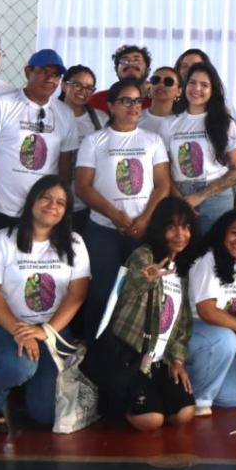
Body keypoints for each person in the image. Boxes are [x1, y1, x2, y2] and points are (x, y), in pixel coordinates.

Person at [0, 177, 90, 432]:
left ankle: (18, 386)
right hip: (5, 325)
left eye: (60, 202)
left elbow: (76, 295)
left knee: (44, 414)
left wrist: (44, 331)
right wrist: (19, 330)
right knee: (20, 365)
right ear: (32, 201)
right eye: (46, 198)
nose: (52, 206)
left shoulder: (75, 243)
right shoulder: (3, 239)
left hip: (52, 330)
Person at [84, 196, 196, 431]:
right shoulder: (144, 255)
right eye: (172, 226)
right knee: (151, 421)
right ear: (160, 228)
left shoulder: (183, 268)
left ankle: (149, 391)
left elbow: (183, 323)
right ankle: (119, 398)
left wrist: (177, 360)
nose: (180, 234)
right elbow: (131, 285)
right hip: (129, 355)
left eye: (186, 227)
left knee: (184, 414)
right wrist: (147, 277)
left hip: (159, 359)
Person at [75, 78, 173, 340]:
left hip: (143, 230)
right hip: (103, 229)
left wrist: (144, 219)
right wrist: (114, 215)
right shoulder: (95, 141)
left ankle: (130, 352)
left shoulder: (153, 140)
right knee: (100, 293)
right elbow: (82, 186)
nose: (134, 106)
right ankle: (94, 348)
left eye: (138, 101)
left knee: (141, 292)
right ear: (110, 106)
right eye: (126, 100)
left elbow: (163, 185)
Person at [0, 49, 79, 259]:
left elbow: (64, 164)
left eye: (56, 75)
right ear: (28, 72)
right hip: (1, 208)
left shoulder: (65, 113)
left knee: (29, 270)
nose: (50, 78)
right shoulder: (3, 104)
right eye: (44, 71)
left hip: (42, 214)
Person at [183, 207, 236, 416]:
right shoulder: (208, 258)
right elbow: (207, 312)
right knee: (226, 339)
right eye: (234, 233)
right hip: (191, 330)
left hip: (217, 336)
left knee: (234, 396)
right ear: (222, 232)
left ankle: (184, 379)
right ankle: (199, 402)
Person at [163, 61, 236, 234]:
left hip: (216, 197)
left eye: (204, 85)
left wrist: (199, 196)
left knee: (214, 247)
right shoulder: (169, 123)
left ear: (213, 90)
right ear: (184, 86)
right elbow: (164, 171)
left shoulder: (226, 123)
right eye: (192, 83)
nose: (197, 88)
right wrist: (180, 200)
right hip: (180, 195)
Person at [57, 64, 107, 234]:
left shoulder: (100, 119)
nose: (83, 91)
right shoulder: (49, 113)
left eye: (88, 87)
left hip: (88, 204)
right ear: (65, 86)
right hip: (53, 199)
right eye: (77, 85)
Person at [89, 44, 153, 114]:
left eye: (136, 60)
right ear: (116, 70)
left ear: (147, 70)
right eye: (124, 61)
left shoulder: (156, 100)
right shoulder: (97, 100)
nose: (130, 64)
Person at [139, 66, 180, 132]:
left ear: (179, 91)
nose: (160, 84)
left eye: (168, 82)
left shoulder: (183, 123)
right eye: (155, 80)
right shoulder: (135, 118)